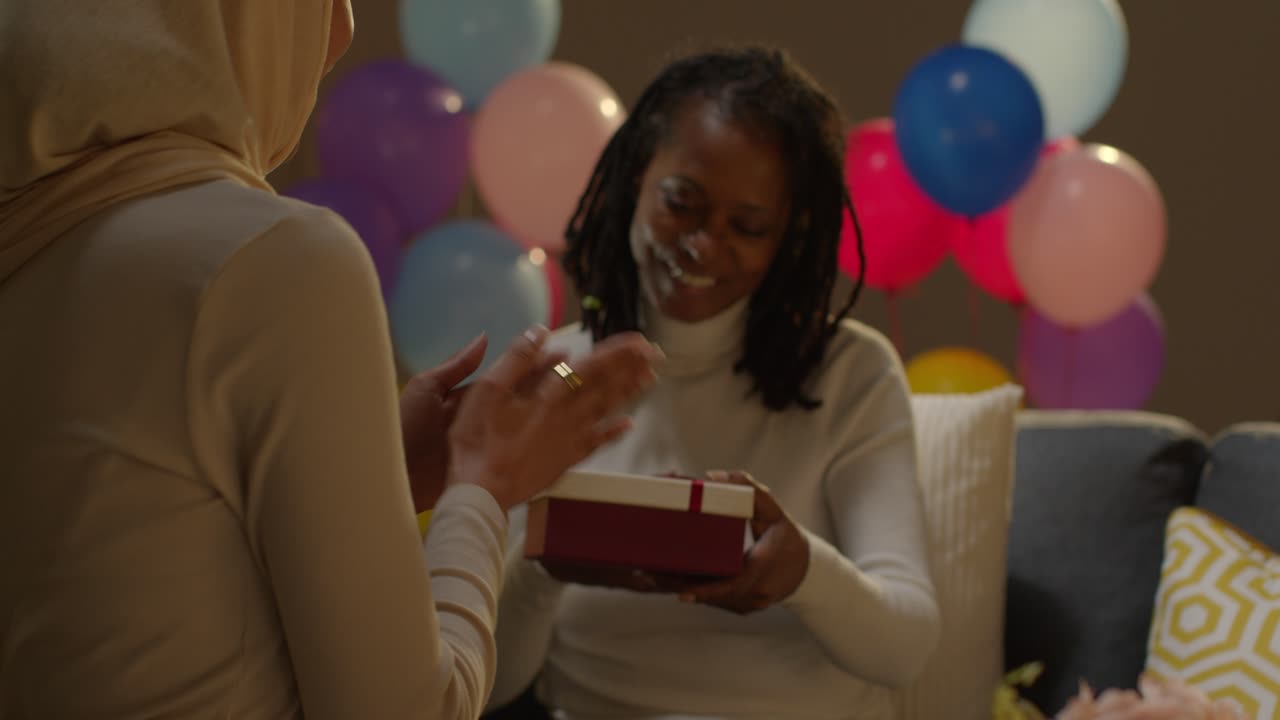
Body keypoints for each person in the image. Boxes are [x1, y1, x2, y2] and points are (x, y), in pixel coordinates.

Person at [0, 2, 660, 718]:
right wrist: (484, 489)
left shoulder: (31, 255)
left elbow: (141, 575)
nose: (332, 43)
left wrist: (377, 475)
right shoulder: (276, 263)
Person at [487, 47, 941, 720]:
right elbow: (484, 687)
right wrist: (541, 565)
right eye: (682, 205)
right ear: (637, 175)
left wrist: (802, 573)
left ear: (787, 235)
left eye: (748, 227)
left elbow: (905, 644)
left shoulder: (850, 374)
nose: (702, 245)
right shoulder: (557, 376)